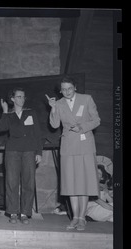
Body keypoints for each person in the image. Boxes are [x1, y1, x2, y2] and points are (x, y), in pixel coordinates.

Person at [46, 75, 100, 231]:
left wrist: (82, 127)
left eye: (69, 88)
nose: (66, 91)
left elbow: (96, 120)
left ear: (75, 87)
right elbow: (55, 125)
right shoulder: (59, 103)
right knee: (71, 183)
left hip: (85, 145)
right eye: (63, 89)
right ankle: (75, 217)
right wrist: (53, 108)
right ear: (60, 91)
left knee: (83, 183)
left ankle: (82, 218)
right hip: (68, 146)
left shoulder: (86, 99)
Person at [0, 88, 42, 224]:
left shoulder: (31, 113)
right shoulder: (9, 115)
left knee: (28, 182)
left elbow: (38, 134)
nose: (22, 99)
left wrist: (39, 152)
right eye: (18, 97)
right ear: (12, 99)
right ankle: (13, 213)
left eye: (23, 97)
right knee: (11, 182)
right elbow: (1, 128)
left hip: (29, 151)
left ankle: (25, 213)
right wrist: (4, 111)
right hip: (12, 151)